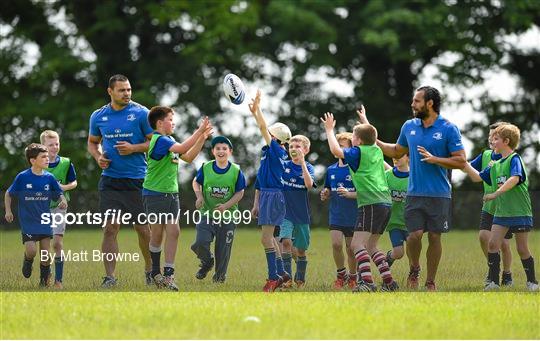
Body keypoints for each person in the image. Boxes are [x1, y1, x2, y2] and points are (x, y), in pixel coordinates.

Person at [357, 87, 466, 291]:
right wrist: (370, 134)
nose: (413, 104)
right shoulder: (409, 126)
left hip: (439, 194)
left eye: (417, 101)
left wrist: (435, 160)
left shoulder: (449, 128)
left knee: (434, 237)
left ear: (430, 103)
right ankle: (414, 268)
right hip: (413, 194)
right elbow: (396, 150)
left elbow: (460, 161)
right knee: (414, 235)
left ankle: (430, 281)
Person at [87, 74, 153, 288]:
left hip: (137, 180)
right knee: (110, 228)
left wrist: (133, 148)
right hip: (110, 181)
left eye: (129, 90)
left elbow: (154, 143)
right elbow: (92, 143)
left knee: (142, 229)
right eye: (122, 90)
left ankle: (150, 270)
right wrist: (98, 158)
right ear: (110, 91)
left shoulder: (142, 113)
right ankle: (110, 277)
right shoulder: (98, 116)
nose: (127, 94)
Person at [322, 113, 398, 292]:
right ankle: (389, 283)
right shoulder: (377, 150)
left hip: (370, 203)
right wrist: (366, 122)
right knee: (371, 246)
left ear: (359, 140)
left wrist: (329, 130)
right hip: (385, 203)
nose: (352, 138)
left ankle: (368, 283)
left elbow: (336, 151)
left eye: (354, 136)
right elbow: (373, 137)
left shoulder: (358, 152)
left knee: (356, 245)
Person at [143, 106, 212, 291]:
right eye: (170, 120)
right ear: (160, 123)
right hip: (155, 193)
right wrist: (198, 130)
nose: (173, 123)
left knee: (174, 231)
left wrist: (202, 139)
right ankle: (155, 272)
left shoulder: (170, 140)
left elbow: (188, 157)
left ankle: (168, 274)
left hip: (171, 194)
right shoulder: (160, 140)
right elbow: (182, 148)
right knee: (157, 234)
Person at [462, 124, 537, 291]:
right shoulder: (494, 164)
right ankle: (494, 283)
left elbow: (515, 178)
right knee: (492, 244)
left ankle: (532, 282)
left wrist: (495, 193)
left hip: (519, 212)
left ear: (506, 141)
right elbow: (477, 176)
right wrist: (460, 162)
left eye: (495, 139)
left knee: (522, 249)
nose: (492, 141)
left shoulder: (514, 159)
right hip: (501, 213)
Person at [4, 143, 67, 287]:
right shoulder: (22, 177)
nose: (47, 159)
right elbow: (9, 193)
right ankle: (28, 260)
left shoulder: (49, 178)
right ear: (33, 160)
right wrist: (8, 210)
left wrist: (62, 201)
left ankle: (43, 283)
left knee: (45, 256)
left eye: (47, 156)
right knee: (32, 251)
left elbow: (59, 195)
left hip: (45, 221)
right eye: (43, 157)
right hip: (28, 222)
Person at [248, 89, 292, 292]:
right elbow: (259, 180)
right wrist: (256, 203)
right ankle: (281, 273)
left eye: (271, 136)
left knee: (265, 238)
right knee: (271, 238)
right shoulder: (269, 152)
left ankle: (273, 277)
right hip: (267, 195)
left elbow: (263, 127)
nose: (267, 136)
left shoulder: (277, 150)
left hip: (273, 195)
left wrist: (258, 110)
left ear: (277, 140)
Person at [191, 135, 246, 283]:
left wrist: (226, 206)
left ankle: (219, 278)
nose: (221, 151)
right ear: (213, 151)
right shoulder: (206, 167)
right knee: (200, 242)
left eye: (224, 148)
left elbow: (240, 192)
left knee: (223, 249)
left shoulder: (236, 170)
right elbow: (196, 183)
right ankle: (207, 262)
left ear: (230, 152)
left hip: (228, 216)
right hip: (207, 214)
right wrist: (199, 197)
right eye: (217, 148)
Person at [467, 122, 513, 286]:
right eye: (490, 137)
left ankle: (507, 274)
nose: (491, 140)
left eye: (495, 137)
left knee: (505, 244)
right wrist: (452, 160)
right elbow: (469, 168)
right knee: (483, 236)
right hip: (488, 206)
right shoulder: (486, 155)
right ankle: (493, 269)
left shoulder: (509, 157)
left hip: (505, 207)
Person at [40, 130, 78, 289]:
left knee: (57, 243)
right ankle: (45, 276)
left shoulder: (66, 163)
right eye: (50, 145)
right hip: (41, 208)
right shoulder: (38, 164)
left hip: (59, 207)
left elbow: (74, 182)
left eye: (57, 144)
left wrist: (64, 187)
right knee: (44, 245)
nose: (55, 147)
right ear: (43, 146)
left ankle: (59, 280)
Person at [320, 132, 358, 289]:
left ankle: (353, 276)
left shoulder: (355, 169)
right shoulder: (331, 170)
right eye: (338, 145)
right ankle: (341, 274)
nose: (338, 148)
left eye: (342, 146)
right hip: (336, 214)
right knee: (336, 244)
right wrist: (325, 193)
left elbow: (363, 191)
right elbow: (327, 188)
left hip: (353, 215)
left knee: (350, 249)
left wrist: (350, 194)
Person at [278, 134, 316, 288]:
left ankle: (300, 278)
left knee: (300, 250)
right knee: (286, 242)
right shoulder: (283, 165)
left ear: (305, 150)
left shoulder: (309, 167)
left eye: (298, 147)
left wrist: (302, 164)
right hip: (285, 213)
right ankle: (286, 279)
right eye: (291, 147)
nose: (293, 149)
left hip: (301, 215)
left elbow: (308, 185)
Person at [384, 154, 411, 268]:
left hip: (411, 223)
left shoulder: (415, 177)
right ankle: (389, 257)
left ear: (408, 158)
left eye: (400, 155)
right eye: (394, 155)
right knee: (399, 253)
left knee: (413, 249)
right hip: (394, 222)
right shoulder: (387, 176)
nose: (395, 158)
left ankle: (413, 273)